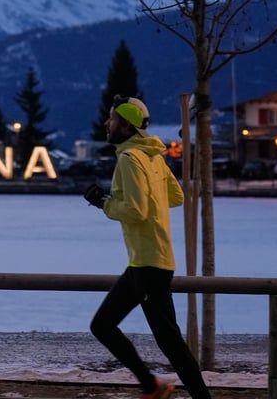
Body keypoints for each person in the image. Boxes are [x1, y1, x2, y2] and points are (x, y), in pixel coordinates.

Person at [83, 95, 212, 399]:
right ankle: (152, 385)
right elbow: (177, 197)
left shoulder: (129, 159)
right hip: (149, 260)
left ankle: (187, 394)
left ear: (126, 125)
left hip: (148, 263)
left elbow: (136, 211)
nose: (107, 122)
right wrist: (150, 201)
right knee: (103, 325)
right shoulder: (153, 156)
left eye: (112, 118)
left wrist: (103, 202)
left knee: (169, 341)